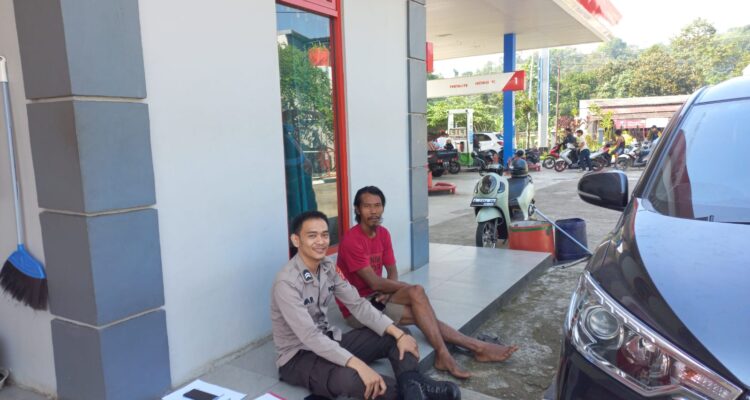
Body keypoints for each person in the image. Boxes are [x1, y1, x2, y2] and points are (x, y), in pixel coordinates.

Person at [271, 211, 460, 400]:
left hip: (330, 339)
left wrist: (399, 334)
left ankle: (412, 386)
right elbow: (310, 336)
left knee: (397, 335)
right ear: (296, 240)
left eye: (325, 235)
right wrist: (360, 365)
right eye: (312, 236)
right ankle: (418, 389)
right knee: (350, 379)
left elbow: (357, 304)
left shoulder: (327, 266)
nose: (320, 241)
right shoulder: (286, 283)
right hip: (299, 356)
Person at [336, 186, 519, 380]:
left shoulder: (383, 233)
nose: (373, 211)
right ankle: (466, 350)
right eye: (367, 206)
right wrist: (398, 288)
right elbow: (374, 283)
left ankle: (462, 351)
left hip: (379, 297)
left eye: (378, 205)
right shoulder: (351, 240)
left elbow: (392, 271)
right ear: (357, 209)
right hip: (357, 307)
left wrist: (389, 291)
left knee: (417, 295)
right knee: (420, 309)